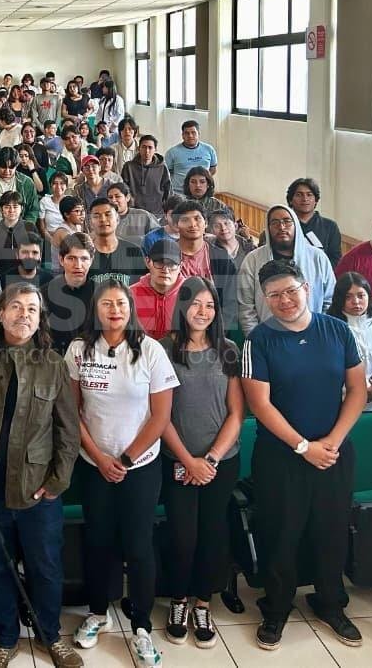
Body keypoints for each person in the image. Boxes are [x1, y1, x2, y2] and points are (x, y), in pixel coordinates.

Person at [0, 283, 84, 668]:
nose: (24, 315)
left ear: (40, 319)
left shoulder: (53, 364)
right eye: (17, 307)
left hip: (38, 490)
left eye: (32, 309)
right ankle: (5, 638)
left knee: (46, 566)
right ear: (1, 313)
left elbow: (68, 431)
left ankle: (50, 634)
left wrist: (57, 481)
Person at [240, 259, 367, 650]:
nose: (284, 300)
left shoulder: (337, 330)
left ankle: (330, 603)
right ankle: (276, 607)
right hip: (281, 456)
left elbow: (357, 390)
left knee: (332, 531)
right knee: (281, 533)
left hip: (333, 452)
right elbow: (260, 404)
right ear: (265, 299)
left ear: (307, 289)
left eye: (291, 291)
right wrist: (302, 447)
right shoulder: (259, 340)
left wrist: (333, 441)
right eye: (274, 295)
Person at [66, 279, 179, 668]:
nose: (114, 310)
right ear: (95, 310)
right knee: (98, 542)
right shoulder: (78, 349)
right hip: (94, 464)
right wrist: (100, 458)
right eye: (106, 304)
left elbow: (160, 416)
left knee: (138, 545)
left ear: (131, 309)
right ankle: (98, 613)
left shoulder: (150, 351)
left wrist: (126, 460)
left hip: (140, 467)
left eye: (121, 303)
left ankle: (141, 627)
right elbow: (73, 412)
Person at [158, 277, 243, 650]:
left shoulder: (228, 350)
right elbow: (160, 415)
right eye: (196, 304)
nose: (203, 312)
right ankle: (178, 599)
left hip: (221, 461)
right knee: (182, 534)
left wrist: (209, 459)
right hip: (176, 459)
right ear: (182, 307)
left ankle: (204, 603)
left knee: (212, 532)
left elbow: (236, 412)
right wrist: (188, 460)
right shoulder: (163, 349)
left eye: (210, 305)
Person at [236, 205, 335, 335]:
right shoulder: (253, 260)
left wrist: (320, 332)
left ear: (296, 224)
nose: (281, 227)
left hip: (313, 334)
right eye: (275, 223)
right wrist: (255, 337)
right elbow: (246, 306)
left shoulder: (318, 258)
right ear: (268, 228)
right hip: (268, 337)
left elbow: (330, 300)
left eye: (287, 221)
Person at [328, 273, 372, 412]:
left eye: (361, 295)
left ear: (369, 297)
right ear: (339, 299)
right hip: (342, 408)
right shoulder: (331, 328)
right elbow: (328, 372)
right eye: (348, 297)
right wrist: (361, 390)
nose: (356, 302)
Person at [172, 200, 239, 325]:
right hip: (175, 326)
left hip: (214, 327)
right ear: (176, 226)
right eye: (185, 220)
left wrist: (217, 331)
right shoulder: (165, 257)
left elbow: (230, 303)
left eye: (197, 219)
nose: (192, 224)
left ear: (206, 223)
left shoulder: (222, 259)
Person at [45, 233, 95, 353]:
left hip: (93, 358)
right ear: (61, 260)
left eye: (84, 259)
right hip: (56, 358)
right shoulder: (45, 293)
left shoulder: (101, 294)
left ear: (91, 260)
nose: (78, 265)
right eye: (71, 258)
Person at [132, 239, 186, 340]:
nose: (165, 270)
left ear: (180, 267)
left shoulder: (191, 295)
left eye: (172, 264)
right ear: (148, 262)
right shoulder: (129, 295)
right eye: (160, 262)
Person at [0, 149, 39, 233]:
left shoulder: (27, 182)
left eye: (11, 167)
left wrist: (24, 227)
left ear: (16, 166)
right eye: (3, 167)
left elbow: (33, 209)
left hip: (20, 231)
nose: (7, 171)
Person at [86, 198, 146, 284]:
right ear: (90, 223)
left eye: (108, 214)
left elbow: (143, 285)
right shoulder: (84, 254)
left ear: (117, 219)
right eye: (97, 216)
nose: (103, 219)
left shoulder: (133, 251)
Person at [286, 178, 342, 266]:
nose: (305, 199)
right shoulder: (283, 226)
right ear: (290, 200)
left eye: (309, 195)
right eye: (299, 195)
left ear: (316, 200)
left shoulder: (330, 226)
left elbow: (335, 260)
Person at [120, 135, 170, 215]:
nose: (147, 151)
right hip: (134, 212)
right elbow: (124, 189)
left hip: (157, 213)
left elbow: (168, 190)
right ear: (138, 148)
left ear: (155, 149)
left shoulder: (162, 167)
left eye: (150, 148)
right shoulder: (128, 167)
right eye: (144, 147)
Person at [163, 120, 218, 189]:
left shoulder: (209, 149)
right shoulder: (172, 152)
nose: (190, 136)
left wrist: (203, 181)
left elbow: (213, 169)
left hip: (203, 191)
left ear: (198, 133)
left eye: (193, 133)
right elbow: (166, 174)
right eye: (187, 133)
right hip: (180, 192)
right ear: (182, 135)